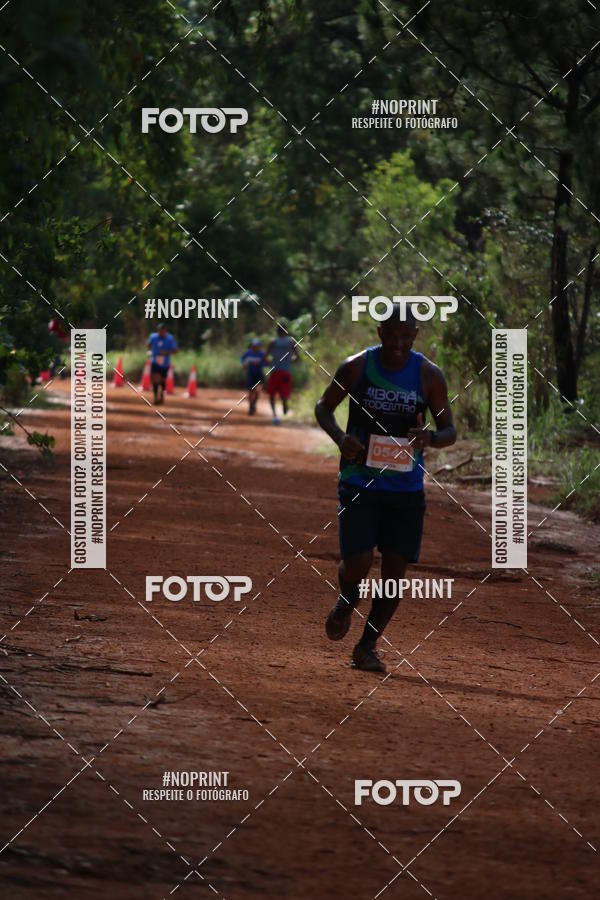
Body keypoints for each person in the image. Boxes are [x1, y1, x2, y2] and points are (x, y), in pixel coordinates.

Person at [315, 304, 456, 673]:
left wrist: (431, 438)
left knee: (394, 574)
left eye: (404, 337)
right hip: (359, 481)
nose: (397, 343)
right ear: (380, 333)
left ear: (415, 336)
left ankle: (367, 646)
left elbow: (450, 431)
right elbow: (323, 407)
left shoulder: (429, 376)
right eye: (390, 336)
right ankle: (348, 595)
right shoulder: (357, 366)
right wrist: (340, 438)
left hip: (406, 490)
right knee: (359, 563)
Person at [266, 323, 298, 424]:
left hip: (275, 371)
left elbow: (264, 356)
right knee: (284, 392)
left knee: (272, 394)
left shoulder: (273, 342)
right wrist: (290, 361)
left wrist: (270, 363)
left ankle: (275, 415)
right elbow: (298, 356)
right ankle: (284, 402)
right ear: (286, 331)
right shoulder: (291, 341)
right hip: (286, 371)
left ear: (277, 332)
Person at [147, 323, 178, 405]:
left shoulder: (170, 339)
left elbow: (175, 350)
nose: (161, 333)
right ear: (158, 331)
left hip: (165, 363)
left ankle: (161, 394)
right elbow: (149, 345)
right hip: (155, 361)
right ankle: (156, 397)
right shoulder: (153, 337)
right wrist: (150, 351)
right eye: (160, 331)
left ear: (165, 331)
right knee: (155, 379)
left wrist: (167, 352)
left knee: (162, 380)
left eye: (163, 331)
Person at [241, 337, 266, 415]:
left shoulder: (262, 354)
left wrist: (260, 364)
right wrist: (244, 364)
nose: (255, 347)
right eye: (254, 346)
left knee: (258, 390)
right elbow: (242, 358)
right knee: (251, 391)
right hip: (250, 374)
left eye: (257, 346)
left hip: (259, 374)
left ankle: (254, 403)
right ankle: (251, 406)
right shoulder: (248, 353)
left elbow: (266, 362)